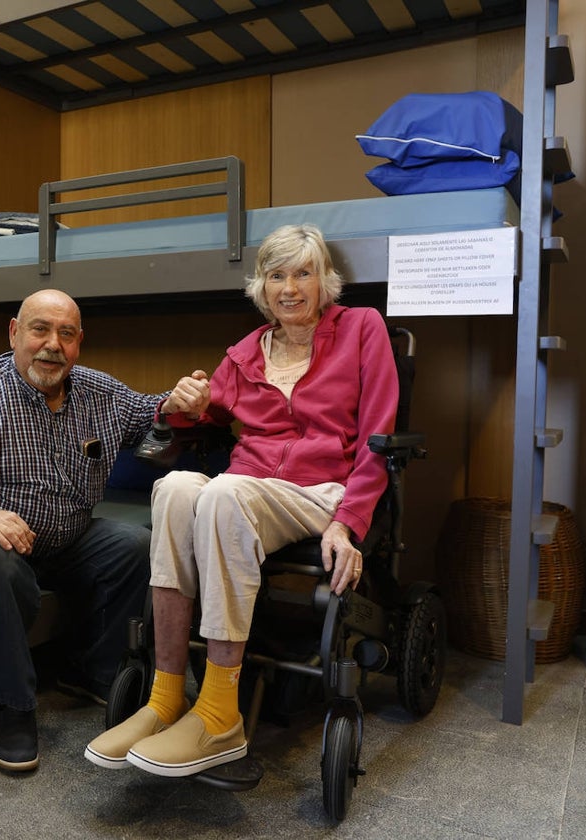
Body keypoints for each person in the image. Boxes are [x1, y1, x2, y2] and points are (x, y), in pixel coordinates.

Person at [84, 223, 399, 778]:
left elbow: (379, 434)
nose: (290, 287)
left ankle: (220, 714)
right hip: (250, 488)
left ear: (325, 280)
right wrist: (184, 402)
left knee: (225, 492)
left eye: (303, 272)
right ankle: (165, 696)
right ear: (262, 287)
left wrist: (348, 523)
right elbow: (199, 417)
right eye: (277, 275)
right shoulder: (245, 352)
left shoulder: (361, 329)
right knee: (176, 488)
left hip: (320, 491)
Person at [0, 288, 206, 773]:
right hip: (0, 541)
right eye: (40, 329)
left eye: (66, 334)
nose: (52, 345)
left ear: (79, 342)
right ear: (14, 333)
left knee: (136, 545)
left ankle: (93, 672)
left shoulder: (99, 392)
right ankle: (14, 707)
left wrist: (183, 400)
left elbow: (155, 410)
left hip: (70, 538)